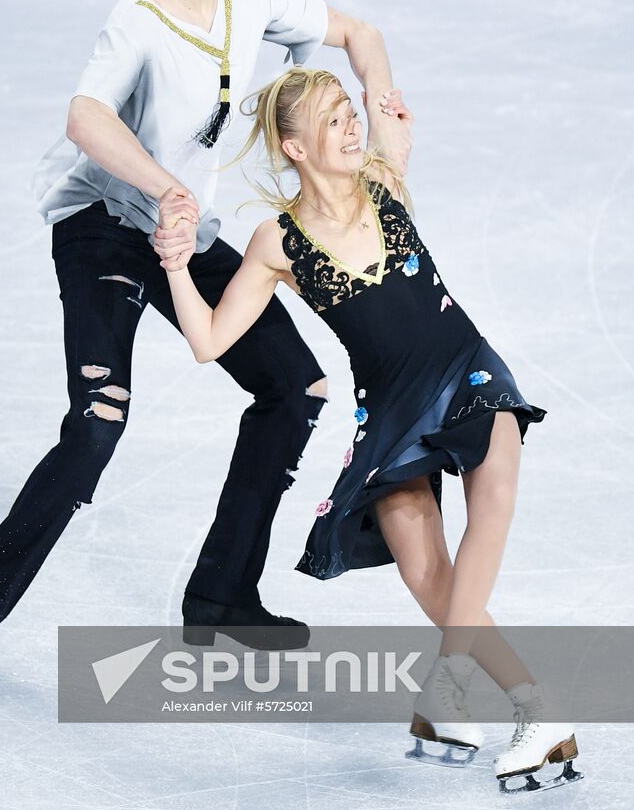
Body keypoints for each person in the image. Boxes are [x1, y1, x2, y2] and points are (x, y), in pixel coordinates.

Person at [0, 0, 413, 670]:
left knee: (294, 389)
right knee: (97, 421)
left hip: (190, 232)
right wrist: (165, 188)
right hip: (104, 225)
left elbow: (356, 31)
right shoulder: (137, 22)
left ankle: (220, 596)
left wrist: (379, 92)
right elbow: (86, 118)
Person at [154, 67, 583, 794]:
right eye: (333, 121)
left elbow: (365, 46)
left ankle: (460, 691)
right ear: (294, 147)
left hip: (467, 369)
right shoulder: (274, 242)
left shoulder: (382, 176)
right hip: (388, 411)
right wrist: (174, 266)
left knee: (495, 500)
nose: (352, 128)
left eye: (350, 116)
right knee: (426, 573)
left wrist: (379, 93)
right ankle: (528, 710)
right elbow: (208, 341)